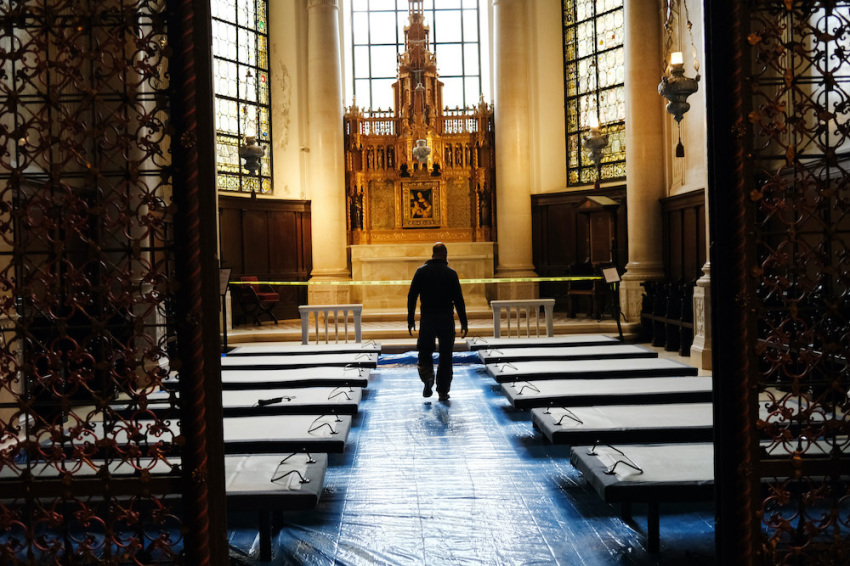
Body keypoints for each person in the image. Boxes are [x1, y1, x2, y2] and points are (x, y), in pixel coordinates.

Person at [407, 242, 468, 402]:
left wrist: (410, 318)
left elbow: (412, 296)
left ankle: (427, 378)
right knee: (446, 356)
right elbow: (459, 300)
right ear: (445, 255)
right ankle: (443, 391)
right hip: (446, 318)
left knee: (425, 351)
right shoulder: (451, 273)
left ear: (432, 254)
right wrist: (464, 321)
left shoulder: (421, 272)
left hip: (428, 317)